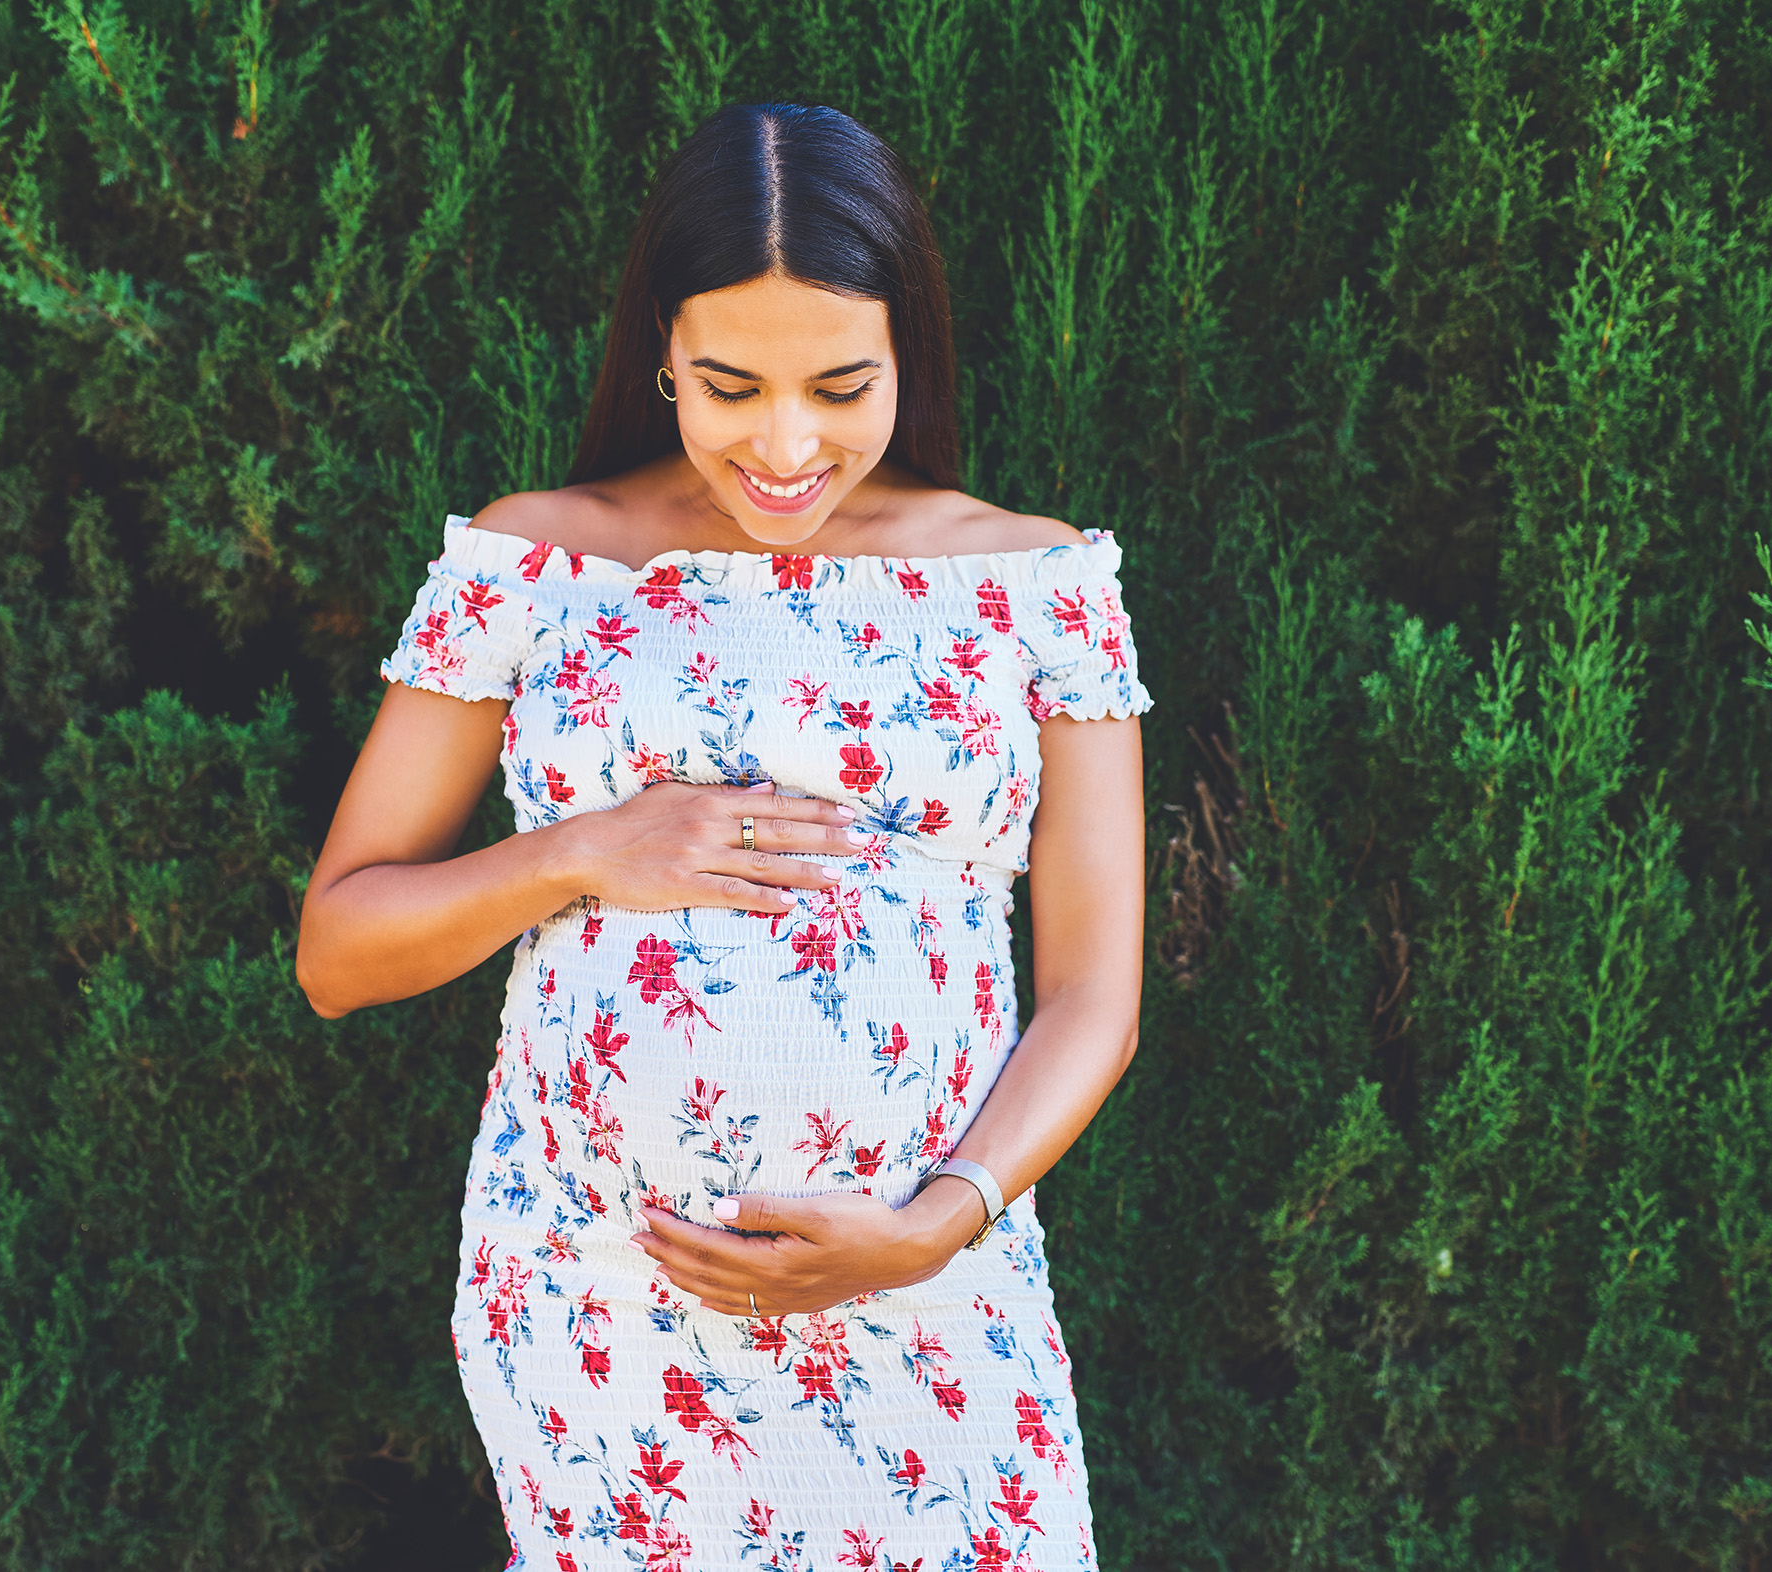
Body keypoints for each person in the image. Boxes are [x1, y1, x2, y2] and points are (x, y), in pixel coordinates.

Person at [297, 101, 1149, 1572]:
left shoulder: (1039, 587)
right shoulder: (540, 561)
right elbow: (336, 953)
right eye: (730, 384)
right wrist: (582, 850)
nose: (785, 441)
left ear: (908, 357)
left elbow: (1095, 996)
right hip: (604, 1310)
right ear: (661, 360)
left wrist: (942, 1221)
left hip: (932, 1298)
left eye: (840, 384)